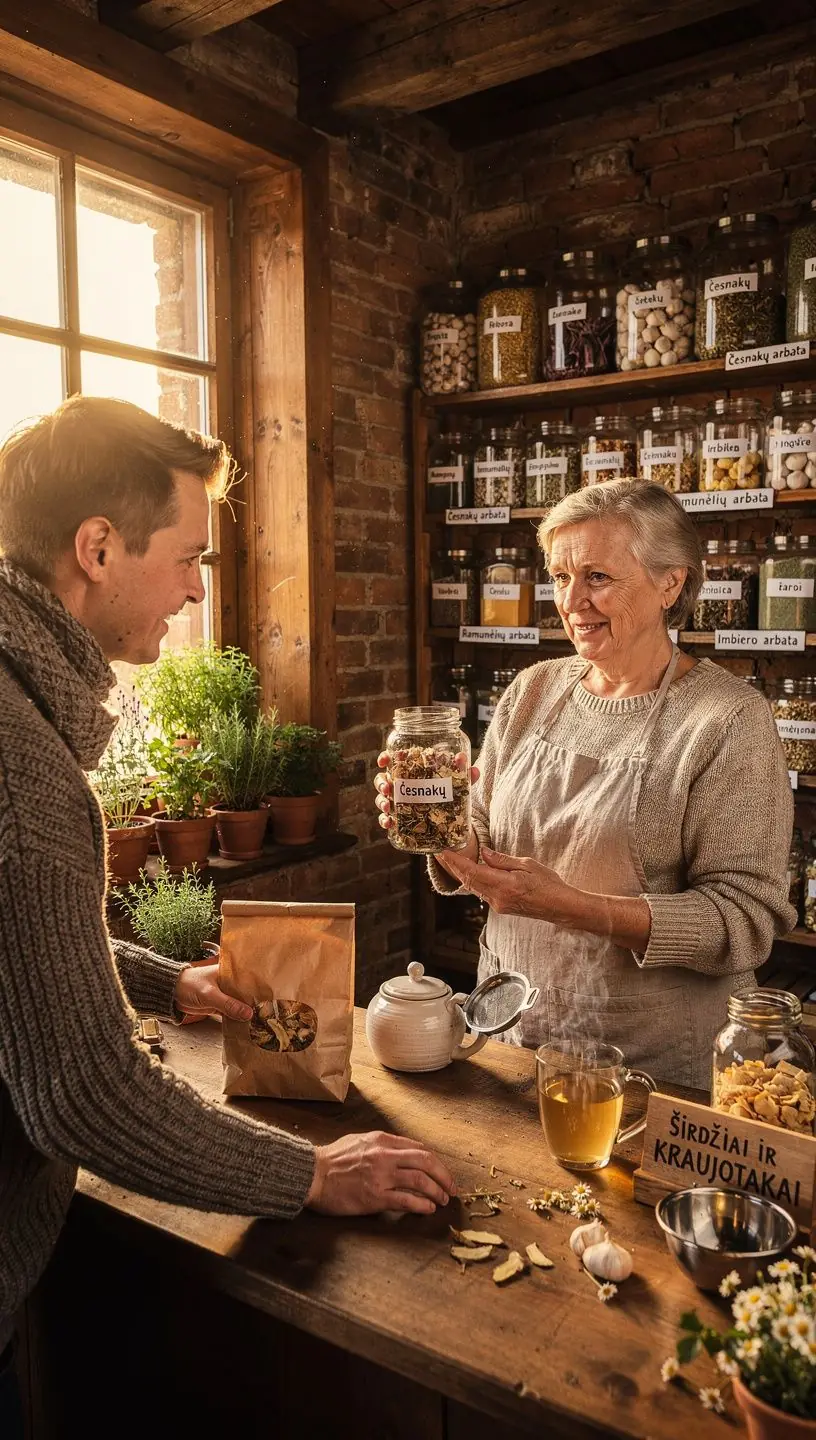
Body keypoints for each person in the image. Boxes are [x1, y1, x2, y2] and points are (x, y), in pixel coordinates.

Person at [0, 397, 455, 1427]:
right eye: (188, 556)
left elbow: (21, 950)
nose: (199, 589)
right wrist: (309, 1175)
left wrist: (170, 980)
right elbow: (81, 1095)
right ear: (98, 547)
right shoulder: (19, 760)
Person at [377, 479, 794, 1089]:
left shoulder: (727, 719)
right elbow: (487, 840)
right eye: (560, 576)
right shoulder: (533, 691)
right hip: (516, 1039)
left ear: (669, 583)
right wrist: (436, 825)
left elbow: (745, 921)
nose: (571, 602)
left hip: (651, 1067)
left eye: (597, 577)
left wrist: (572, 908)